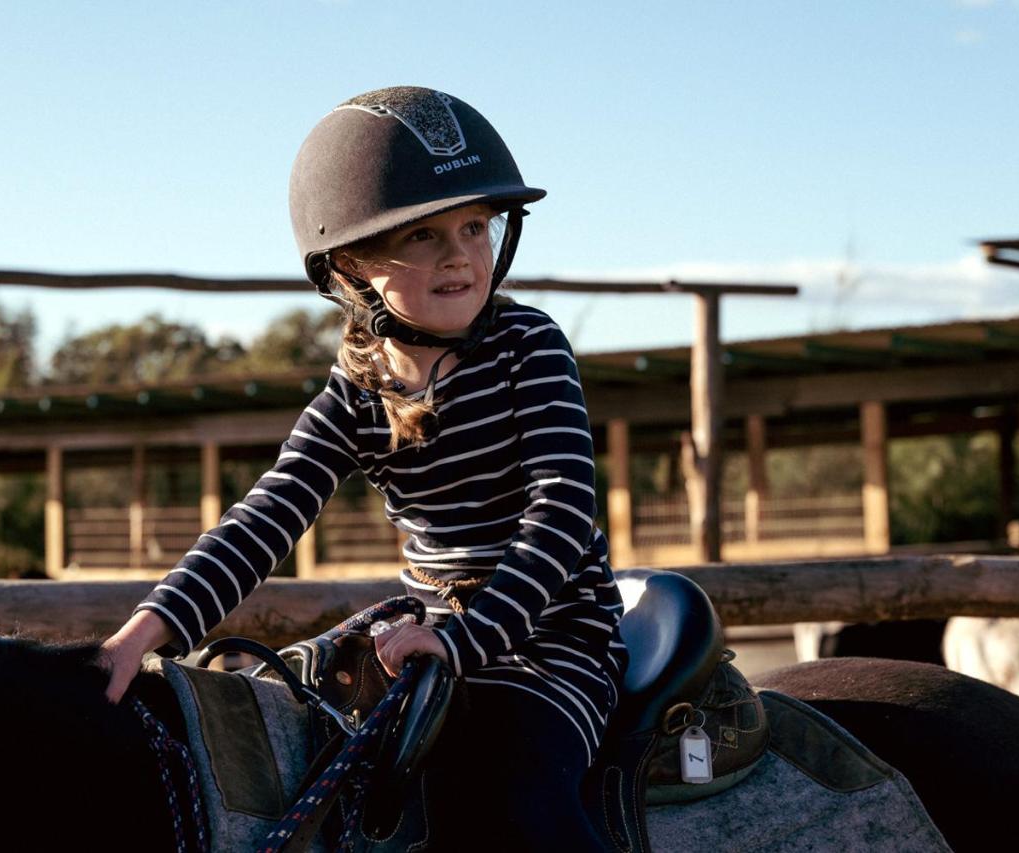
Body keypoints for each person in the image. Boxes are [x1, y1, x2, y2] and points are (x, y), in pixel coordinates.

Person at [101, 86, 627, 850]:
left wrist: (465, 639)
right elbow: (265, 516)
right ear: (349, 263)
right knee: (296, 727)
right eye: (421, 235)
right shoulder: (357, 391)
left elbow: (561, 511)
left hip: (552, 637)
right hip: (433, 629)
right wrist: (139, 637)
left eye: (475, 225)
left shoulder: (530, 347)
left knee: (510, 792)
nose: (460, 254)